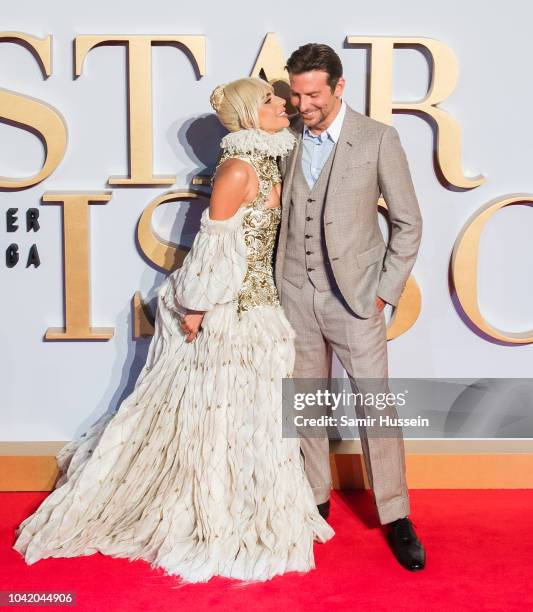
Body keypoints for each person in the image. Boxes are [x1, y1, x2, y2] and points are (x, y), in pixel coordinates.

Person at [12, 77, 334, 583]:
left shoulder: (272, 160)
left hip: (264, 315)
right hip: (231, 316)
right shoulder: (236, 169)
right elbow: (214, 247)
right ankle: (212, 513)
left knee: (254, 422)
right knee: (221, 422)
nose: (283, 106)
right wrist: (199, 304)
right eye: (271, 100)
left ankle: (251, 507)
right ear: (251, 113)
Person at [274, 44, 426, 571]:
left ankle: (396, 514)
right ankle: (314, 500)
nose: (302, 103)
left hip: (357, 297)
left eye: (312, 93)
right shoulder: (285, 137)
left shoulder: (378, 139)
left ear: (339, 87)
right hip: (295, 292)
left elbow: (408, 222)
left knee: (375, 405)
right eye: (296, 93)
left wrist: (384, 292)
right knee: (305, 401)